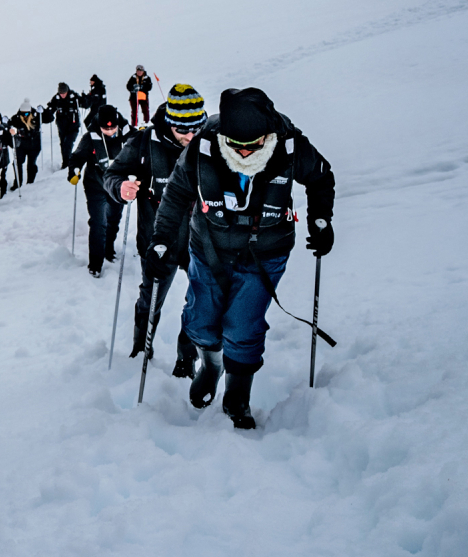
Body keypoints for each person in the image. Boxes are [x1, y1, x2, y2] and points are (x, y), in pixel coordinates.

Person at [150, 87, 335, 430]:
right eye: (237, 146)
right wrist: (161, 240)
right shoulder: (203, 146)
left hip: (266, 251)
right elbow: (175, 194)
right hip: (209, 247)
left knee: (242, 324)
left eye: (254, 145)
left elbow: (321, 177)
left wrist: (321, 220)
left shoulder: (290, 145)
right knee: (200, 321)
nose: (246, 152)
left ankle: (238, 394)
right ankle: (212, 366)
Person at [102, 83, 205, 374]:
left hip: (201, 241)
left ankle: (186, 359)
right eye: (182, 130)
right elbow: (112, 173)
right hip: (158, 239)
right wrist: (120, 187)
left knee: (200, 301)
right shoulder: (145, 142)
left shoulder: (208, 141)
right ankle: (141, 348)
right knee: (150, 298)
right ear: (170, 122)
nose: (190, 136)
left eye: (196, 128)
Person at [68, 106, 128, 276]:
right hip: (96, 185)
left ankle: (109, 249)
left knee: (113, 219)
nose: (109, 131)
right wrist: (74, 171)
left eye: (113, 128)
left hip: (117, 186)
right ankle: (95, 263)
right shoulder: (90, 138)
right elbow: (77, 157)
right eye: (105, 128)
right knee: (98, 222)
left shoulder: (126, 135)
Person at [41, 82, 80, 167]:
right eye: (61, 93)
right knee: (63, 144)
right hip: (62, 127)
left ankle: (67, 164)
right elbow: (51, 109)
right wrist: (44, 113)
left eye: (64, 93)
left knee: (68, 144)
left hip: (73, 127)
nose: (62, 95)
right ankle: (66, 162)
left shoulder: (74, 97)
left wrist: (85, 99)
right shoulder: (56, 98)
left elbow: (84, 103)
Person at [9, 100, 42, 185]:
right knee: (17, 162)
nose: (24, 115)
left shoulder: (36, 117)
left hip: (34, 145)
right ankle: (18, 182)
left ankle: (30, 182)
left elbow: (49, 118)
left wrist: (43, 111)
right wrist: (6, 124)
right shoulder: (16, 118)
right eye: (22, 113)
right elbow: (9, 124)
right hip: (21, 145)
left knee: (31, 164)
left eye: (26, 113)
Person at [125, 65, 160, 130]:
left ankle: (147, 123)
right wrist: (133, 88)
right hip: (134, 97)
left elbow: (149, 87)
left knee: (145, 110)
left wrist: (142, 87)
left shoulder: (147, 78)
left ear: (143, 71)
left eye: (140, 71)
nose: (139, 72)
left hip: (143, 97)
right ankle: (134, 125)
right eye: (138, 71)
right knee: (134, 111)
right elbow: (128, 86)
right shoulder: (133, 77)